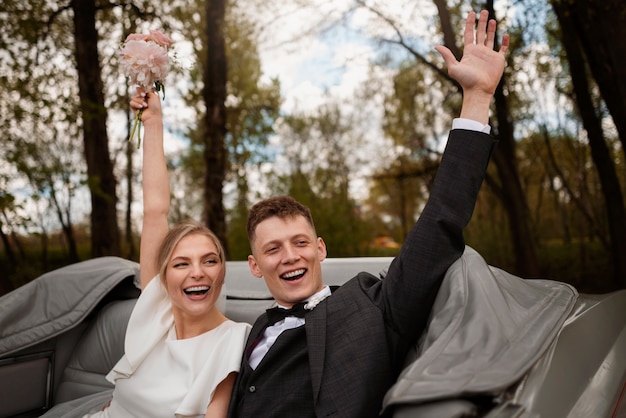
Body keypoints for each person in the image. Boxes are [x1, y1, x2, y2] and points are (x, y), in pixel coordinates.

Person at [227, 10, 509, 418]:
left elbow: (438, 225)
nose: (290, 256)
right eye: (273, 249)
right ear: (255, 266)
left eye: (300, 242)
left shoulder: (369, 306)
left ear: (320, 249)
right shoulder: (254, 332)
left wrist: (478, 99)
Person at [84, 88, 251, 417]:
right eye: (181, 263)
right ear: (163, 276)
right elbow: (155, 211)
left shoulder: (234, 339)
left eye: (209, 260)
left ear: (221, 272)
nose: (197, 272)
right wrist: (154, 123)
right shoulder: (157, 309)